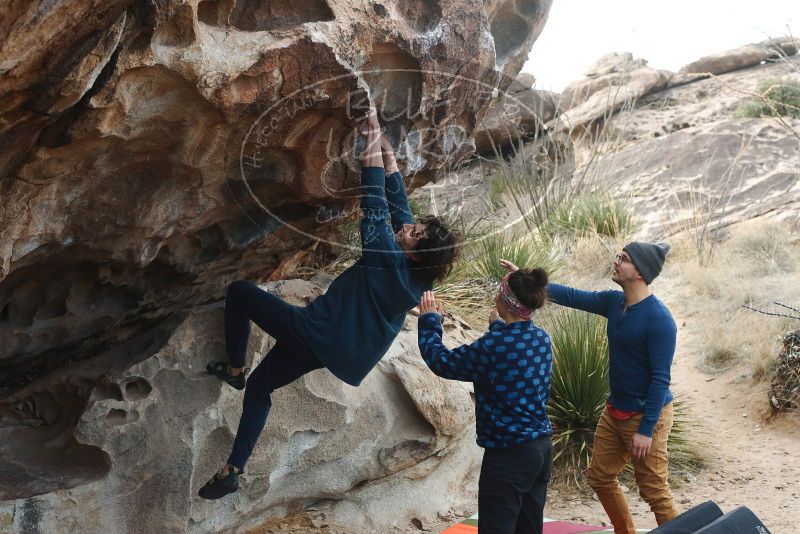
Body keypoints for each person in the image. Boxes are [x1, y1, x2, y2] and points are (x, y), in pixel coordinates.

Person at [198, 103, 458, 499]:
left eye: (414, 233)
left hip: (312, 332)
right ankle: (233, 469)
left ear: (416, 252)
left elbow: (374, 198)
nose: (407, 227)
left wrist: (371, 136)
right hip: (332, 351)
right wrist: (387, 148)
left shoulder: (387, 260)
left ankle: (235, 366)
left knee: (239, 293)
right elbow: (397, 202)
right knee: (261, 387)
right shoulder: (413, 275)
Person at [545, 243, 678, 533]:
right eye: (620, 256)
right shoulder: (614, 303)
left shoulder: (660, 320)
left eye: (625, 259)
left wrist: (645, 431)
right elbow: (572, 296)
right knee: (601, 477)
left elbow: (660, 379)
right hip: (615, 410)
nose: (617, 261)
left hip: (646, 417)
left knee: (654, 491)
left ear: (640, 273)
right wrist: (529, 282)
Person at [417, 264, 553, 534]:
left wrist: (429, 320)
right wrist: (497, 329)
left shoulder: (493, 346)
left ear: (503, 299)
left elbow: (442, 361)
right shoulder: (541, 338)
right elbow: (510, 351)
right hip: (540, 450)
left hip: (508, 457)